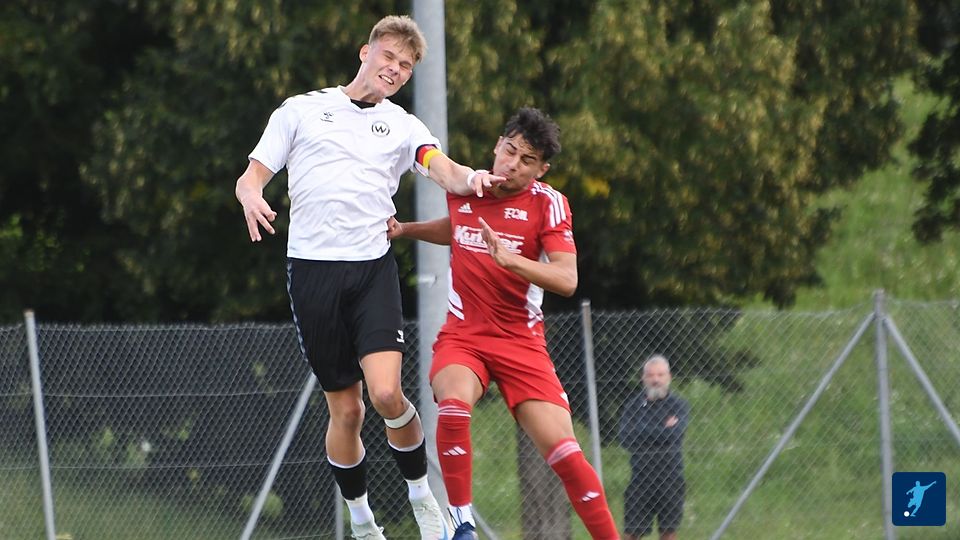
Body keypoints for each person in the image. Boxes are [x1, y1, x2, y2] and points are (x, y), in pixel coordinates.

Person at [235, 15, 504, 540]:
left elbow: (442, 167)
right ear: (366, 52)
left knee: (385, 394)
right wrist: (251, 196)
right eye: (389, 57)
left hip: (371, 272)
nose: (395, 69)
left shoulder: (403, 126)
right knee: (348, 411)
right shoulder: (301, 110)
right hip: (312, 273)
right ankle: (362, 522)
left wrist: (473, 178)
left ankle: (422, 495)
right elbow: (252, 177)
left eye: (406, 66)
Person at [387, 107, 620, 540]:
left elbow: (567, 278)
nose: (512, 164)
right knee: (453, 406)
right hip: (464, 335)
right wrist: (406, 229)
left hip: (521, 342)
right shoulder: (466, 186)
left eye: (527, 160)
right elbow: (459, 228)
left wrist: (512, 261)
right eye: (509, 151)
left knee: (568, 456)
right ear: (498, 145)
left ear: (541, 169)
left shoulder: (548, 204)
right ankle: (462, 526)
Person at [618, 355, 689, 540]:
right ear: (643, 378)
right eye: (650, 375)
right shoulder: (633, 406)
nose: (655, 380)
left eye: (660, 375)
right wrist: (663, 429)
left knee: (668, 532)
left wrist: (641, 430)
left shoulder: (679, 405)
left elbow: (675, 434)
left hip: (671, 477)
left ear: (669, 377)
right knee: (631, 533)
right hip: (640, 479)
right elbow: (625, 438)